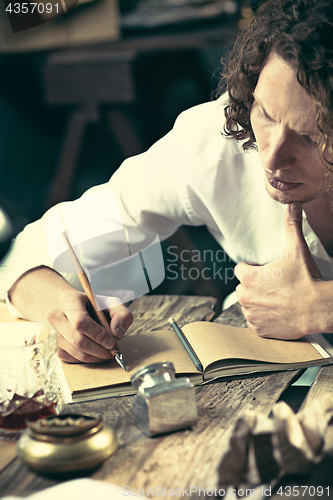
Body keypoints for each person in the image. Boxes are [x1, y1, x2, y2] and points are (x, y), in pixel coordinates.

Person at [1, 0, 333, 363]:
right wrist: (54, 305)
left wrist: (322, 308)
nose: (270, 158)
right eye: (266, 113)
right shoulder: (214, 144)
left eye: (309, 138)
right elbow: (32, 252)